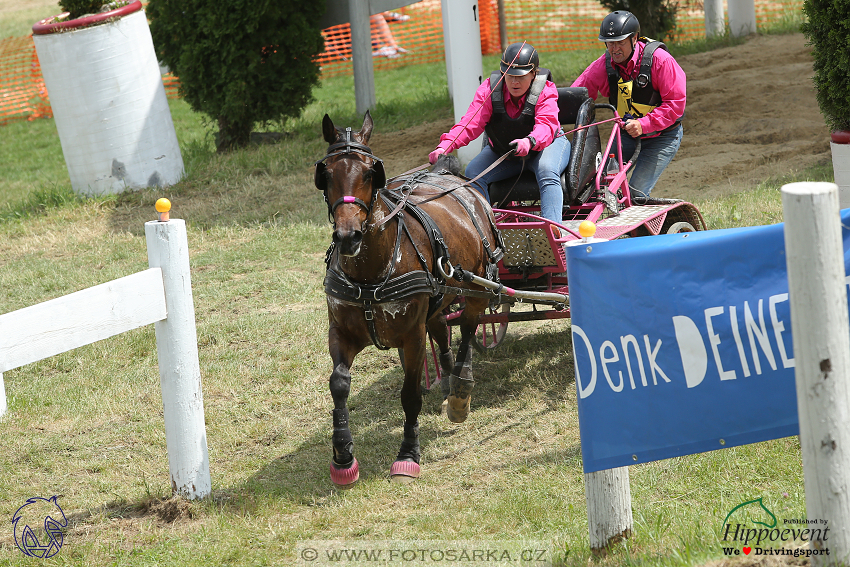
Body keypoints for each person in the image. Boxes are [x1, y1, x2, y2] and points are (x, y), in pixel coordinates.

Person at [429, 42, 570, 224]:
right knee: (473, 172)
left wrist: (529, 141)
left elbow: (546, 125)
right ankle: (486, 231)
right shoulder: (489, 90)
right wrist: (444, 147)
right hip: (506, 152)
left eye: (521, 76)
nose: (514, 82)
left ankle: (553, 231)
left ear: (534, 74)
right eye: (509, 75)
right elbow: (469, 123)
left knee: (547, 170)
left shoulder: (546, 90)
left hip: (547, 146)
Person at [571, 11, 686, 202]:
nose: (614, 49)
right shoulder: (603, 65)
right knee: (598, 186)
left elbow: (676, 105)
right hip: (626, 137)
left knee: (635, 195)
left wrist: (644, 124)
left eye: (620, 42)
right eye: (610, 43)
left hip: (662, 138)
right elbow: (577, 94)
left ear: (634, 39)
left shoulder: (661, 61)